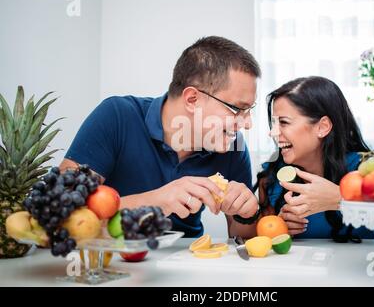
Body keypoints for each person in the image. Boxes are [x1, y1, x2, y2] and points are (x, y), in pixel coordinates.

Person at [60, 36, 261, 238]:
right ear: (192, 99)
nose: (247, 124)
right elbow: (62, 211)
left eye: (249, 110)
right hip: (112, 261)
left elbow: (243, 239)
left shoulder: (232, 146)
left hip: (188, 262)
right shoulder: (116, 116)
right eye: (237, 109)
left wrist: (248, 213)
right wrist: (157, 201)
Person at [255, 76, 374, 242]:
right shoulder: (272, 178)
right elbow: (266, 244)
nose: (273, 132)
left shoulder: (367, 171)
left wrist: (340, 199)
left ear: (322, 127)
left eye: (284, 122)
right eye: (274, 123)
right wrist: (280, 225)